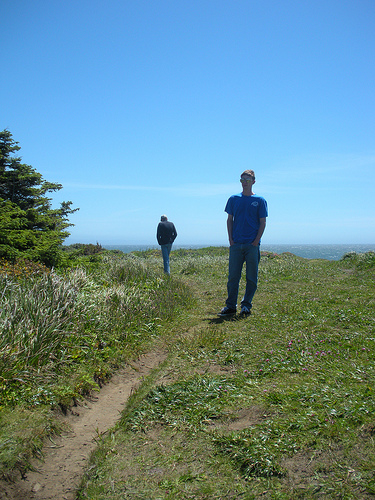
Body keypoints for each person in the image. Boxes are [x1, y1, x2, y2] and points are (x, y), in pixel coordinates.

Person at [218, 170, 268, 317]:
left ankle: (246, 305)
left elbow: (263, 222)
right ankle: (231, 306)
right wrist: (231, 240)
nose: (245, 182)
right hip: (236, 245)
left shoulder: (260, 200)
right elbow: (229, 220)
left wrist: (256, 241)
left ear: (253, 181)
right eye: (242, 180)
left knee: (251, 278)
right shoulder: (233, 199)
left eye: (247, 179)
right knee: (233, 277)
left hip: (252, 245)